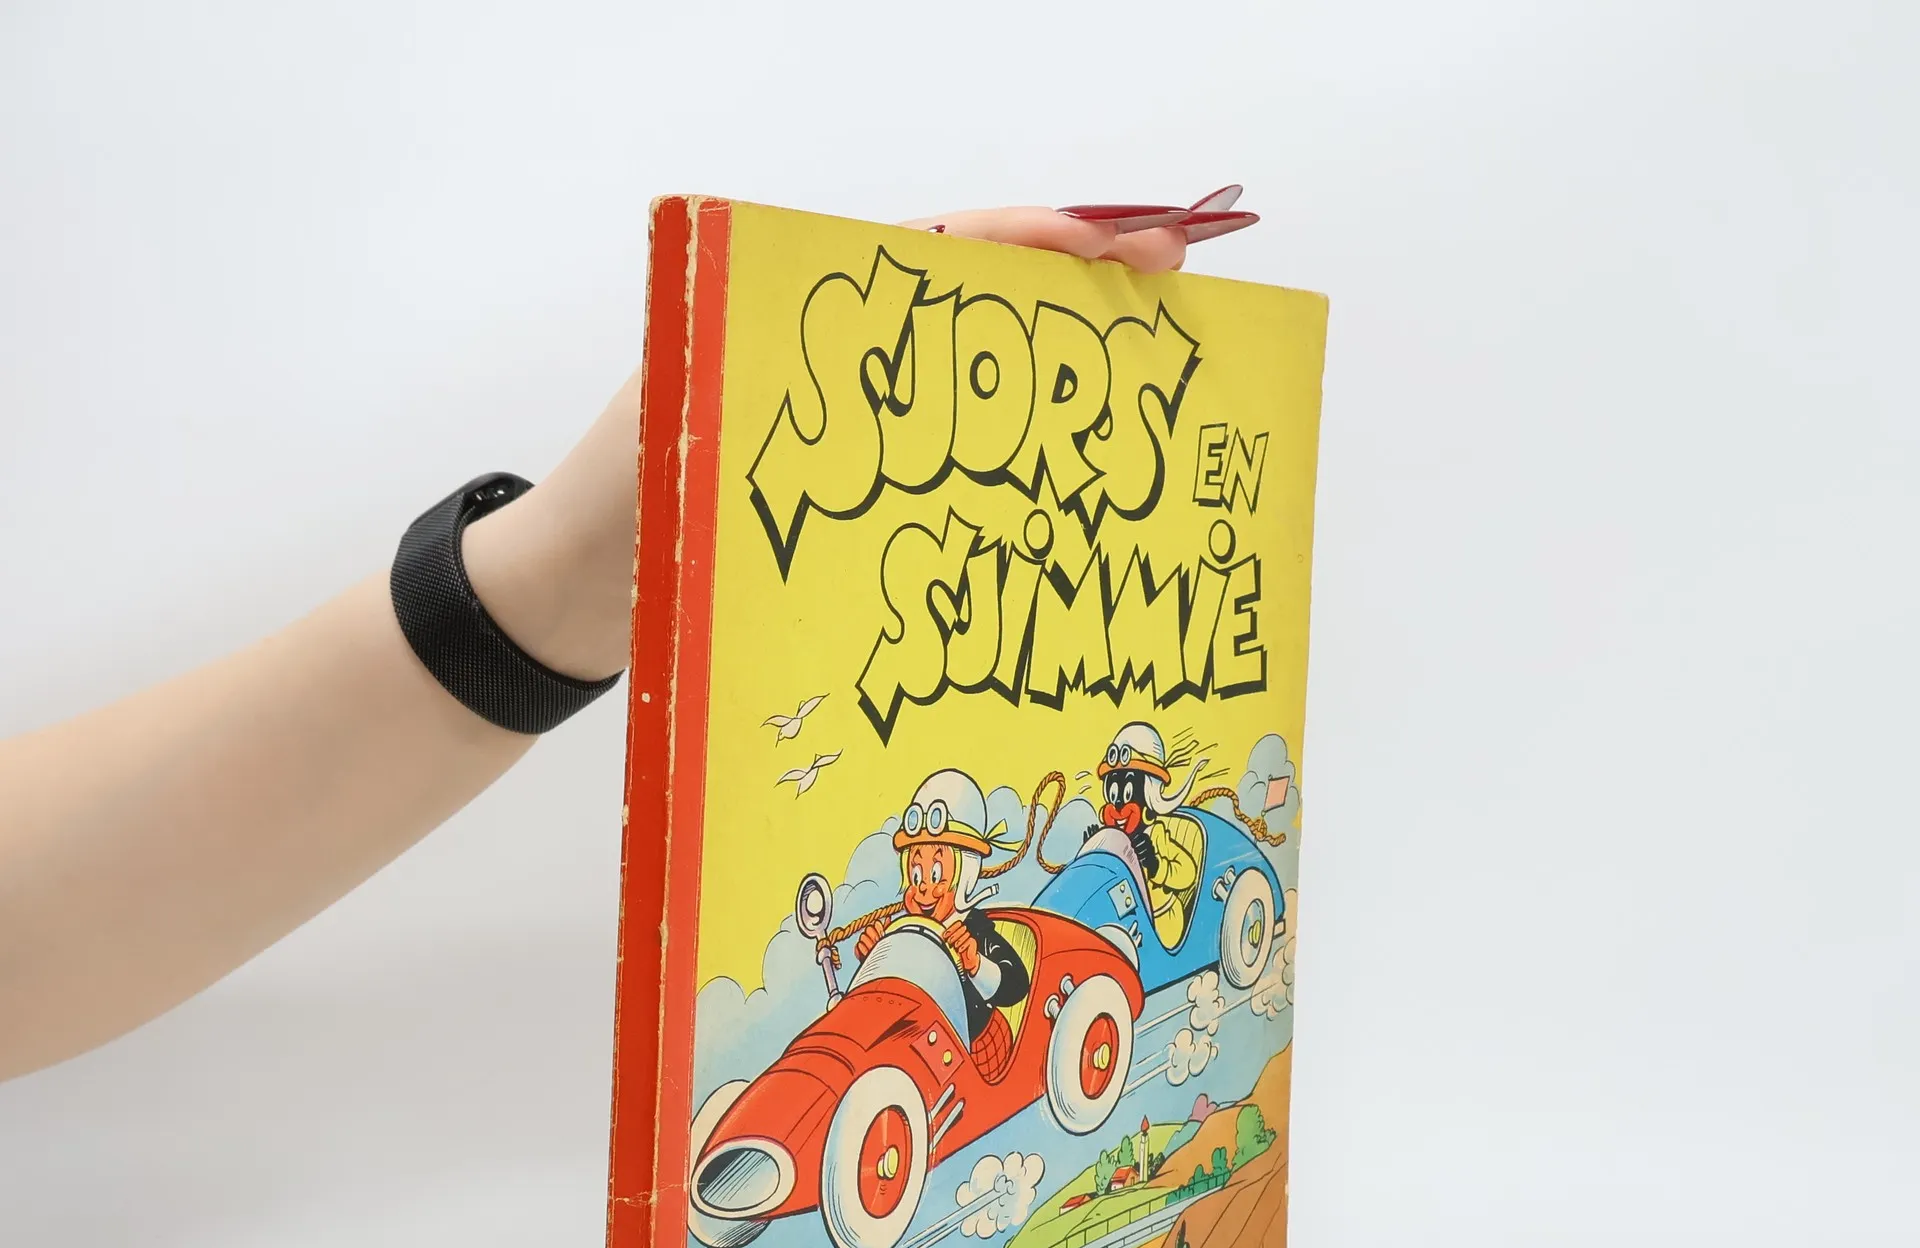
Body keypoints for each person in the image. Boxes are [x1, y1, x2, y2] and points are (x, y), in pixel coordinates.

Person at [0, 204, 1208, 1086]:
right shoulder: (914, 918)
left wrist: (576, 560)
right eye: (928, 855)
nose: (933, 869)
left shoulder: (1013, 908)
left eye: (943, 856)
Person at [854, 770, 1030, 1075]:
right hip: (922, 1045)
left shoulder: (974, 929)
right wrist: (875, 960)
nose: (924, 888)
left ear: (964, 875)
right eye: (916, 875)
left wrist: (976, 964)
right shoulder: (907, 932)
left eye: (935, 875)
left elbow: (1017, 985)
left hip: (978, 1049)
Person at [1091, 721, 1204, 949]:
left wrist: (1155, 864)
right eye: (1114, 795)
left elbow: (1188, 873)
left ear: (1148, 794)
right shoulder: (1116, 840)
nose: (1119, 804)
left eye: (1128, 793)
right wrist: (1094, 852)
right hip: (1127, 921)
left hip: (1162, 924)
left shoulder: (1156, 834)